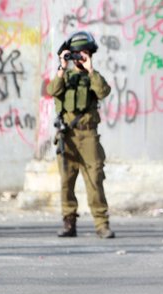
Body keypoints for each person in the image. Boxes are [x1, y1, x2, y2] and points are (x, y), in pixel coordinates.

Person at [46, 31, 115, 239]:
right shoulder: (63, 76)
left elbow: (103, 92)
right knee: (66, 181)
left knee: (95, 179)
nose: (79, 57)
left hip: (89, 136)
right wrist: (62, 67)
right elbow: (51, 90)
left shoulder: (93, 76)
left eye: (83, 53)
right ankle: (69, 223)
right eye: (75, 53)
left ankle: (101, 224)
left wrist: (90, 70)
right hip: (67, 136)